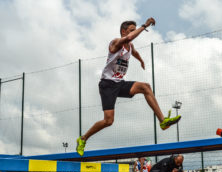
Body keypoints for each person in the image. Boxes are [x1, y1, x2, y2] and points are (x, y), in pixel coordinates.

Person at [76, 18, 181, 156]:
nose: (133, 33)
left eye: (134, 29)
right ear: (123, 31)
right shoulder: (115, 43)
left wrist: (141, 60)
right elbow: (130, 37)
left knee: (145, 87)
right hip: (107, 85)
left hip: (120, 83)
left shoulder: (130, 46)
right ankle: (83, 138)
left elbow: (135, 52)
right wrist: (144, 25)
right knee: (108, 121)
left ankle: (162, 121)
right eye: (132, 30)